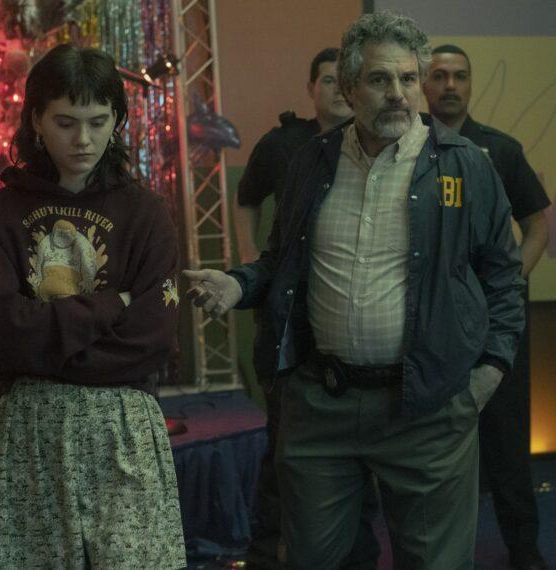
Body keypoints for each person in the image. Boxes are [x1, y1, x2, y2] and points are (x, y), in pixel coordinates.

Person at [184, 11, 524, 568]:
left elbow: (504, 278)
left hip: (429, 409)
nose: (398, 94)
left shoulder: (464, 165)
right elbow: (279, 263)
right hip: (323, 404)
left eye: (408, 79)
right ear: (347, 88)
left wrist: (487, 374)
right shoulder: (311, 162)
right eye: (379, 80)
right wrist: (237, 284)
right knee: (311, 559)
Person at [0, 44, 185, 569]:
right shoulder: (0, 213)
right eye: (65, 123)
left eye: (97, 122)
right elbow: (4, 333)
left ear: (117, 121)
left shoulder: (147, 213)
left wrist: (47, 345)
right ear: (36, 121)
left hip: (124, 429)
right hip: (31, 431)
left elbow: (153, 338)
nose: (83, 139)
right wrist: (112, 305)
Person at [232, 48, 380, 569]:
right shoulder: (283, 144)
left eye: (346, 81)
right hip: (290, 317)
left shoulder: (378, 143)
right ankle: (266, 553)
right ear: (310, 88)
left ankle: (355, 552)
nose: (338, 89)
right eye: (327, 81)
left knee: (357, 454)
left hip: (354, 323)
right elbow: (246, 198)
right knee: (282, 443)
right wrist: (251, 260)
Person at [423, 44, 551, 570]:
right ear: (424, 84)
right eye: (439, 76)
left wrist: (509, 283)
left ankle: (524, 549)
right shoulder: (408, 150)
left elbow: (538, 226)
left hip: (496, 325)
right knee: (430, 446)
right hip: (431, 326)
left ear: (471, 84)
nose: (450, 85)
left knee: (506, 441)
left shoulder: (499, 150)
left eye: (460, 76)